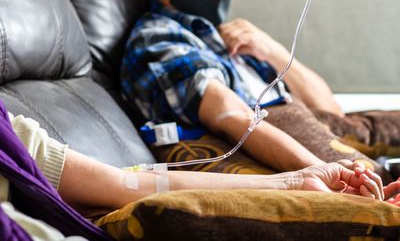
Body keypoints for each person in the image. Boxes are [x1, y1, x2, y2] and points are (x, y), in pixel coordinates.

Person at [121, 0, 392, 175]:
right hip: (297, 156)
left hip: (336, 137)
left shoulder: (232, 41)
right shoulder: (159, 37)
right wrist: (324, 171)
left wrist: (273, 50)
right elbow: (231, 115)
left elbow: (332, 112)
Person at [2, 109, 400, 222]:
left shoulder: (13, 136)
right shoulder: (164, 38)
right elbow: (227, 112)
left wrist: (296, 182)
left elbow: (122, 184)